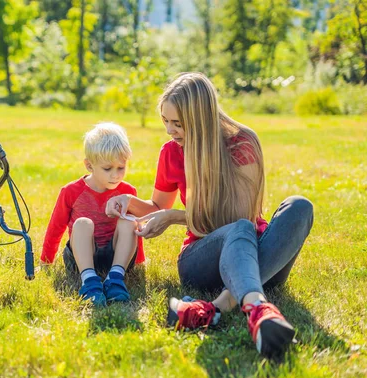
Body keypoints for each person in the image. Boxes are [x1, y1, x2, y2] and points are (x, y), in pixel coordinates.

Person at [105, 73, 313, 357]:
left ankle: (214, 308)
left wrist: (174, 217)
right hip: (202, 259)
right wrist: (128, 201)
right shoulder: (171, 152)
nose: (169, 130)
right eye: (165, 121)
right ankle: (257, 308)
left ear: (200, 118)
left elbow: (238, 218)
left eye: (177, 124)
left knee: (299, 207)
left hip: (257, 254)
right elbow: (158, 207)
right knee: (240, 229)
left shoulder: (242, 144)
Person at [41, 122, 145, 307]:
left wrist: (138, 259)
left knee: (129, 223)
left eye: (121, 168)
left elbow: (135, 230)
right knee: (82, 223)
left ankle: (115, 278)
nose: (115, 175)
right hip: (81, 257)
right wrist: (46, 261)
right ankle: (89, 281)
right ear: (89, 165)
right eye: (107, 169)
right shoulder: (71, 191)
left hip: (116, 257)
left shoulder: (127, 192)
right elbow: (55, 227)